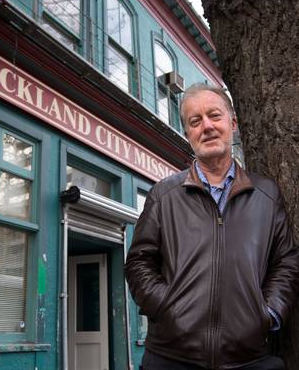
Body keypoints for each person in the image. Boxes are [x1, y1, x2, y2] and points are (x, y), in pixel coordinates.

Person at [125, 83, 299, 370]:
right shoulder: (164, 194)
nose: (206, 126)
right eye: (195, 121)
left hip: (249, 360)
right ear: (188, 134)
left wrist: (267, 314)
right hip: (170, 358)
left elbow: (286, 262)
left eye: (214, 116)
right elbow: (139, 263)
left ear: (232, 123)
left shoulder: (266, 195)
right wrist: (167, 308)